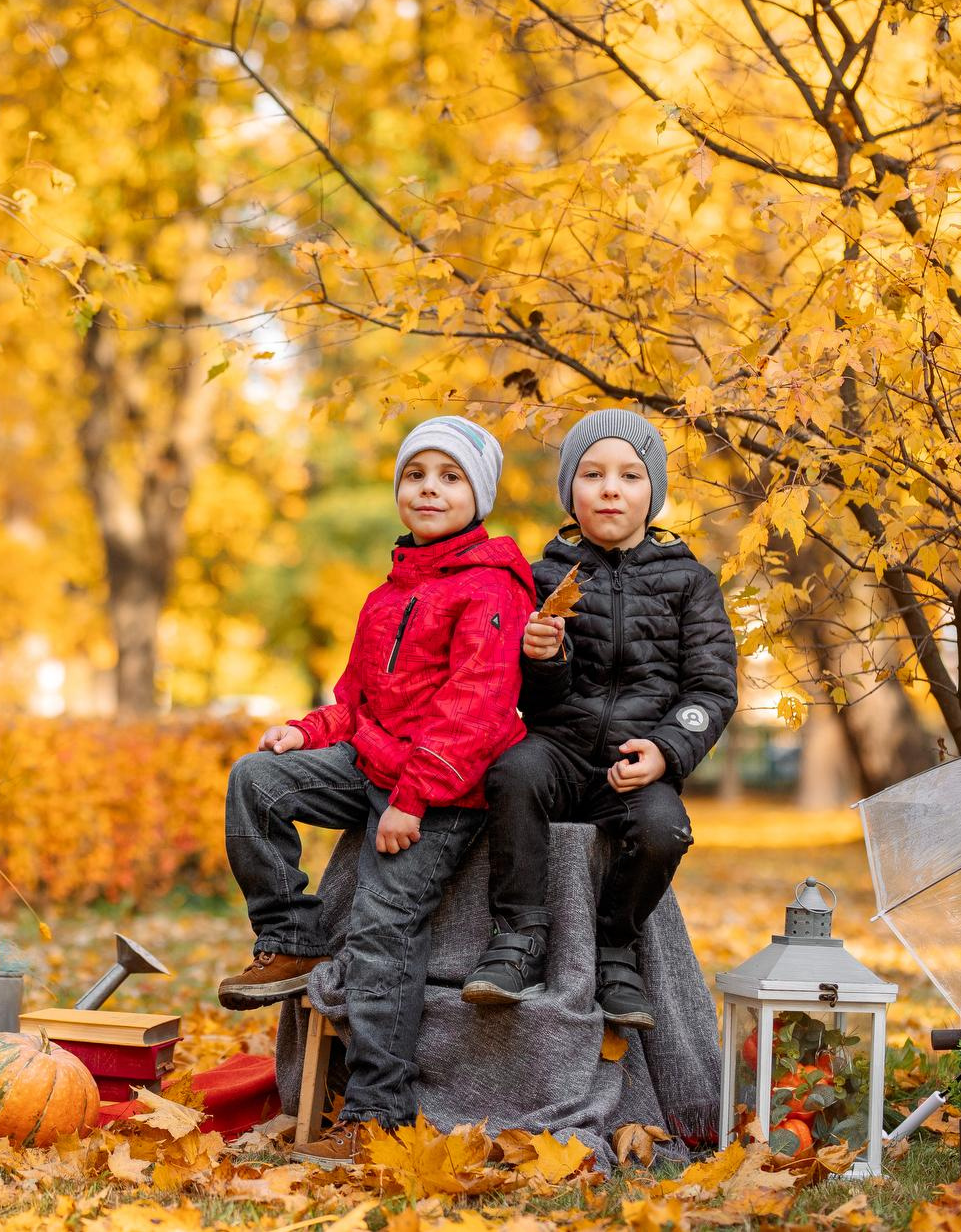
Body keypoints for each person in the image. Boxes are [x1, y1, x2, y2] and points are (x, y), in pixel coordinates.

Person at [218, 416, 535, 1166]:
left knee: (382, 924)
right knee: (256, 779)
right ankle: (290, 937)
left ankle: (377, 1111)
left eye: (450, 476)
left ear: (478, 493)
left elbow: (475, 713)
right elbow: (358, 702)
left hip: (444, 790)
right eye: (416, 473)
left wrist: (414, 800)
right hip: (372, 765)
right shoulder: (387, 593)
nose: (429, 487)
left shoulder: (491, 589)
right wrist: (309, 729)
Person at [462, 409, 737, 1032]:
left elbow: (712, 687)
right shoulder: (541, 578)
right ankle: (519, 935)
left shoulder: (688, 582)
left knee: (664, 829)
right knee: (513, 774)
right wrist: (544, 656)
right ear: (570, 491)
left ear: (653, 493)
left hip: (636, 758)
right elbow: (526, 693)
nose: (610, 488)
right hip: (558, 745)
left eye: (630, 475)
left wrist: (668, 750)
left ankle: (616, 948)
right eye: (592, 474)